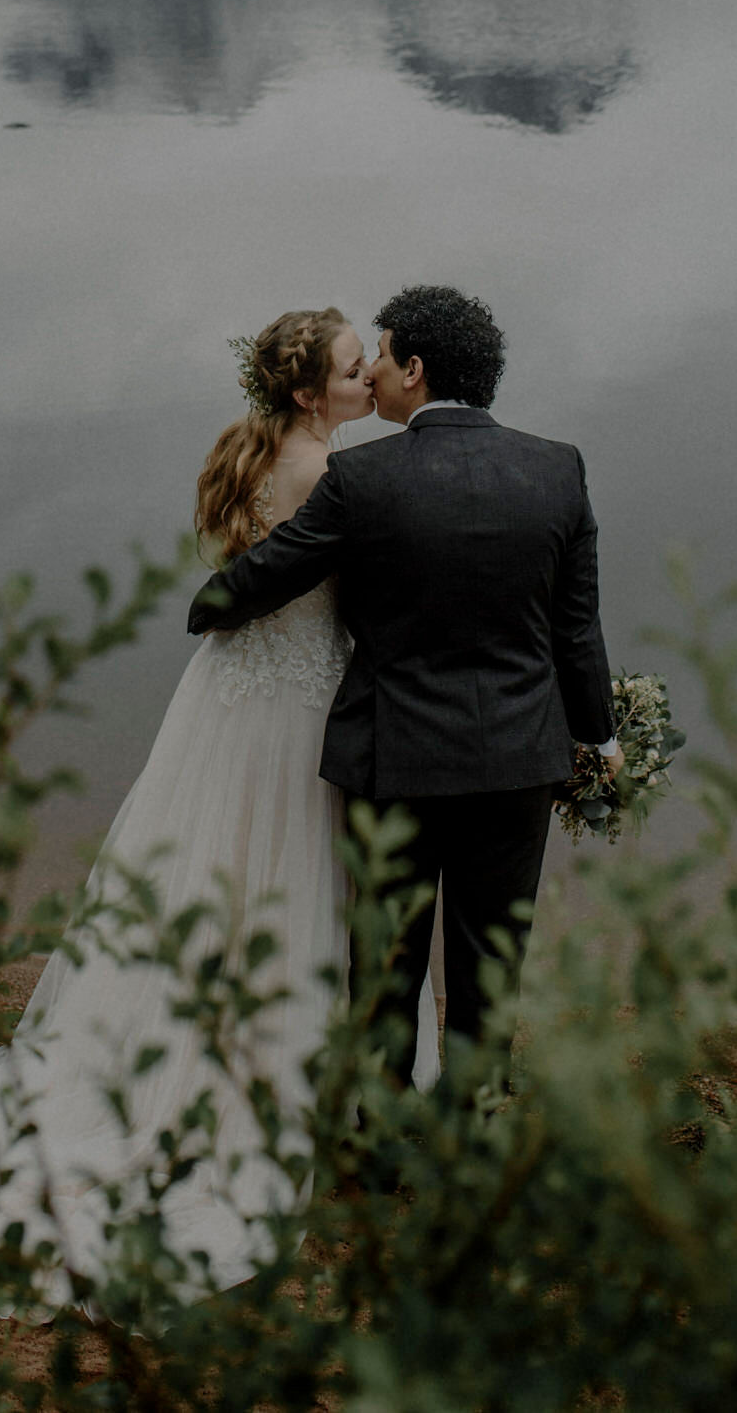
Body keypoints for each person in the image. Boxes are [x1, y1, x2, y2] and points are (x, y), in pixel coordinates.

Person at [0, 305, 436, 1319]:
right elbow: (366, 601)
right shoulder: (326, 476)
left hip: (227, 695)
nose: (369, 376)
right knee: (285, 880)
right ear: (311, 393)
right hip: (297, 711)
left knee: (209, 876)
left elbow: (243, 585)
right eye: (355, 367)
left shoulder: (256, 450)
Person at [188, 283, 620, 1070]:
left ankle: (379, 1143)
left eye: (380, 357)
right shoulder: (559, 469)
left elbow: (267, 577)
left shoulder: (364, 478)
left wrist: (209, 605)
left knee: (384, 966)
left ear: (414, 369)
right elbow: (575, 629)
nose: (374, 372)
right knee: (491, 965)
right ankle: (469, 1138)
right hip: (516, 757)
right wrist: (599, 734)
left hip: (396, 761)